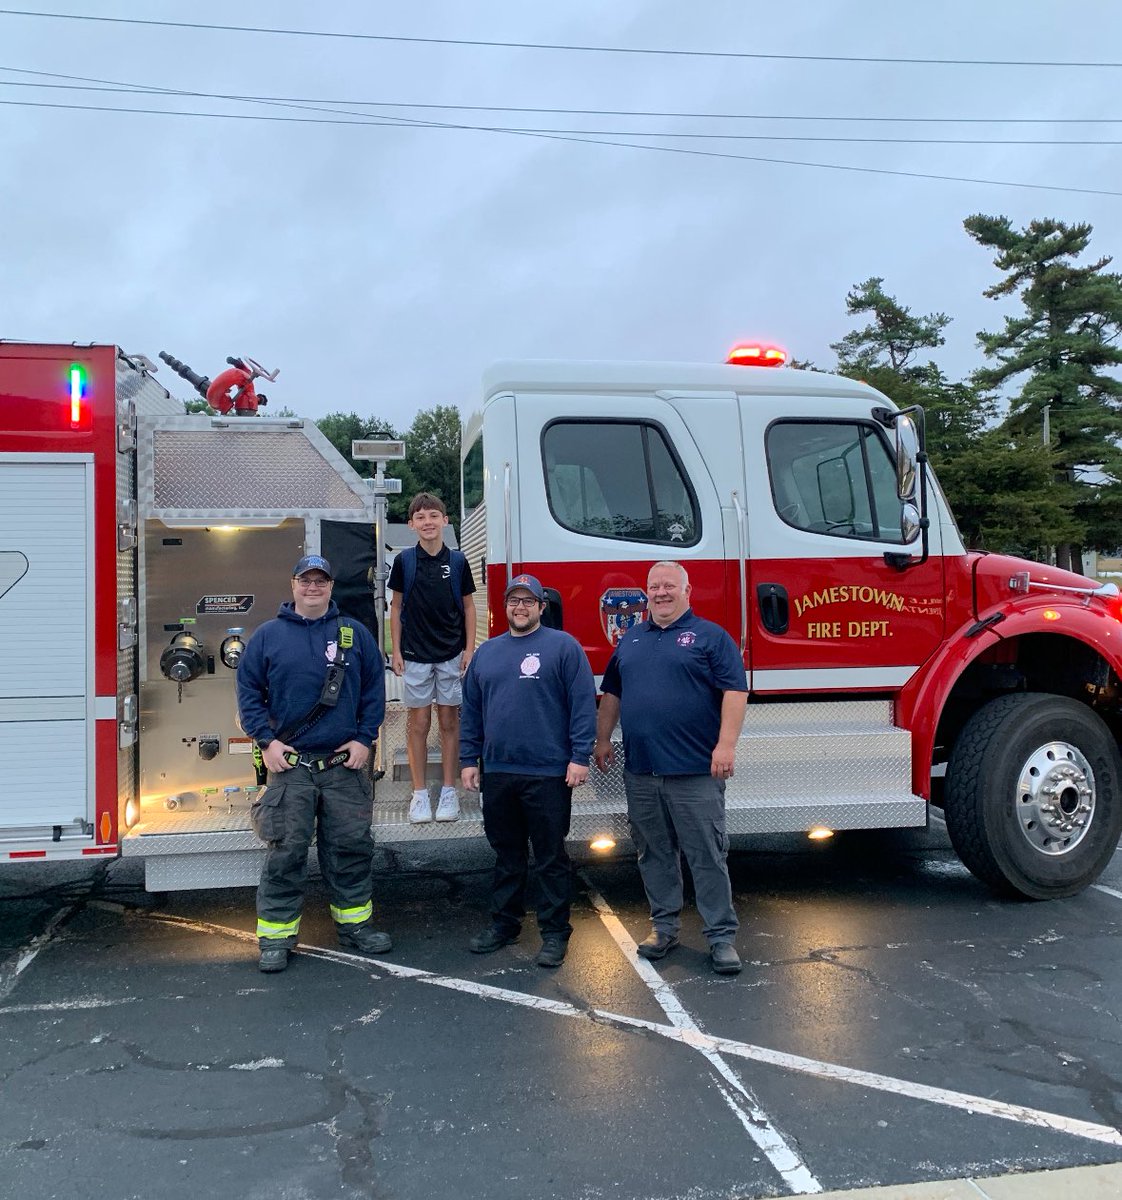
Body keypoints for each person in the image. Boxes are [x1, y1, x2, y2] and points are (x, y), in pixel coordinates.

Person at [237, 554, 390, 973]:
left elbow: (375, 688)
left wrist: (364, 738)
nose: (313, 587)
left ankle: (356, 927)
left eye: (320, 581)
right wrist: (266, 743)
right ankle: (276, 938)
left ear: (330, 587)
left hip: (344, 765)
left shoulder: (352, 634)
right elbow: (248, 693)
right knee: (286, 853)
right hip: (291, 768)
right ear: (293, 585)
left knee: (351, 850)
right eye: (306, 580)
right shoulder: (268, 637)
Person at [594, 560, 748, 975]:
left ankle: (720, 938)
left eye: (669, 586)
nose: (661, 593)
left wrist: (725, 746)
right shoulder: (631, 639)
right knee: (654, 853)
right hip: (642, 772)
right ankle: (664, 929)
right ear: (646, 594)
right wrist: (604, 738)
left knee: (707, 856)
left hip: (696, 771)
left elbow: (735, 692)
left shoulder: (711, 637)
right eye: (654, 587)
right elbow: (611, 692)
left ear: (687, 590)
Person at [460, 574, 597, 968]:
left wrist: (579, 757)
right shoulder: (488, 654)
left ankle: (555, 933)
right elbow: (471, 712)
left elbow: (582, 705)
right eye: (513, 601)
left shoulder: (563, 647)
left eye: (528, 601)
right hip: (499, 771)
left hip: (549, 772)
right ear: (505, 607)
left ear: (541, 607)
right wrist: (469, 761)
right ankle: (505, 924)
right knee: (507, 854)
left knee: (551, 857)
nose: (519, 608)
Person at [388, 493, 477, 824]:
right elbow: (395, 607)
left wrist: (468, 649)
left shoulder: (457, 562)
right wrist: (396, 651)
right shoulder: (404, 562)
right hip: (415, 656)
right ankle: (420, 794)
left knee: (450, 722)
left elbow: (468, 607)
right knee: (419, 724)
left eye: (433, 515)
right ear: (411, 524)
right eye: (421, 517)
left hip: (451, 654)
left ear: (445, 520)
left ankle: (450, 791)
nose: (427, 522)